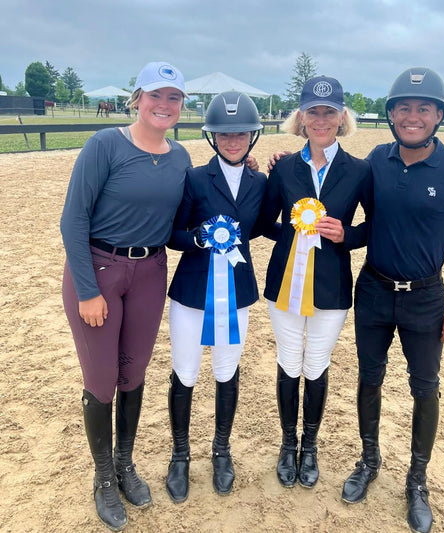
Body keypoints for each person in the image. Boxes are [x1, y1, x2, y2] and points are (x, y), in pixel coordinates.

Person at [341, 67, 444, 533]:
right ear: (391, 114)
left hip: (425, 297)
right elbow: (353, 211)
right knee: (370, 377)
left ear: (438, 115)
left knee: (425, 386)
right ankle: (369, 459)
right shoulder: (375, 161)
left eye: (423, 108)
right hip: (375, 290)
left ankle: (417, 481)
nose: (413, 116)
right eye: (404, 107)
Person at [61, 61, 191, 531]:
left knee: (133, 372)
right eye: (155, 95)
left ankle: (124, 462)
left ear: (181, 105)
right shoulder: (105, 145)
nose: (164, 104)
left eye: (173, 97)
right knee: (100, 377)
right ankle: (101, 476)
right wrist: (89, 289)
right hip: (99, 270)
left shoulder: (180, 157)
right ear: (137, 98)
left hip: (151, 272)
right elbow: (73, 220)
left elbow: (181, 224)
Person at [260, 76, 372, 490]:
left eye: (329, 112)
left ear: (341, 117)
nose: (320, 119)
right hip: (285, 284)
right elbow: (263, 221)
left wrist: (347, 235)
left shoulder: (360, 171)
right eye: (313, 112)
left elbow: (371, 228)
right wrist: (291, 237)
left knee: (316, 363)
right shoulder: (284, 167)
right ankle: (288, 445)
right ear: (301, 117)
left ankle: (311, 446)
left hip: (332, 287)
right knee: (290, 361)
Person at [164, 91, 267, 502]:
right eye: (224, 134)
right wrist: (201, 238)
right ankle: (180, 454)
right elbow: (172, 235)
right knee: (185, 372)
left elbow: (269, 224)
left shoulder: (262, 182)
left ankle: (221, 450)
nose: (233, 139)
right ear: (212, 137)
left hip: (236, 290)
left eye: (241, 132)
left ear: (252, 136)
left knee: (226, 370)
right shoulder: (192, 178)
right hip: (192, 290)